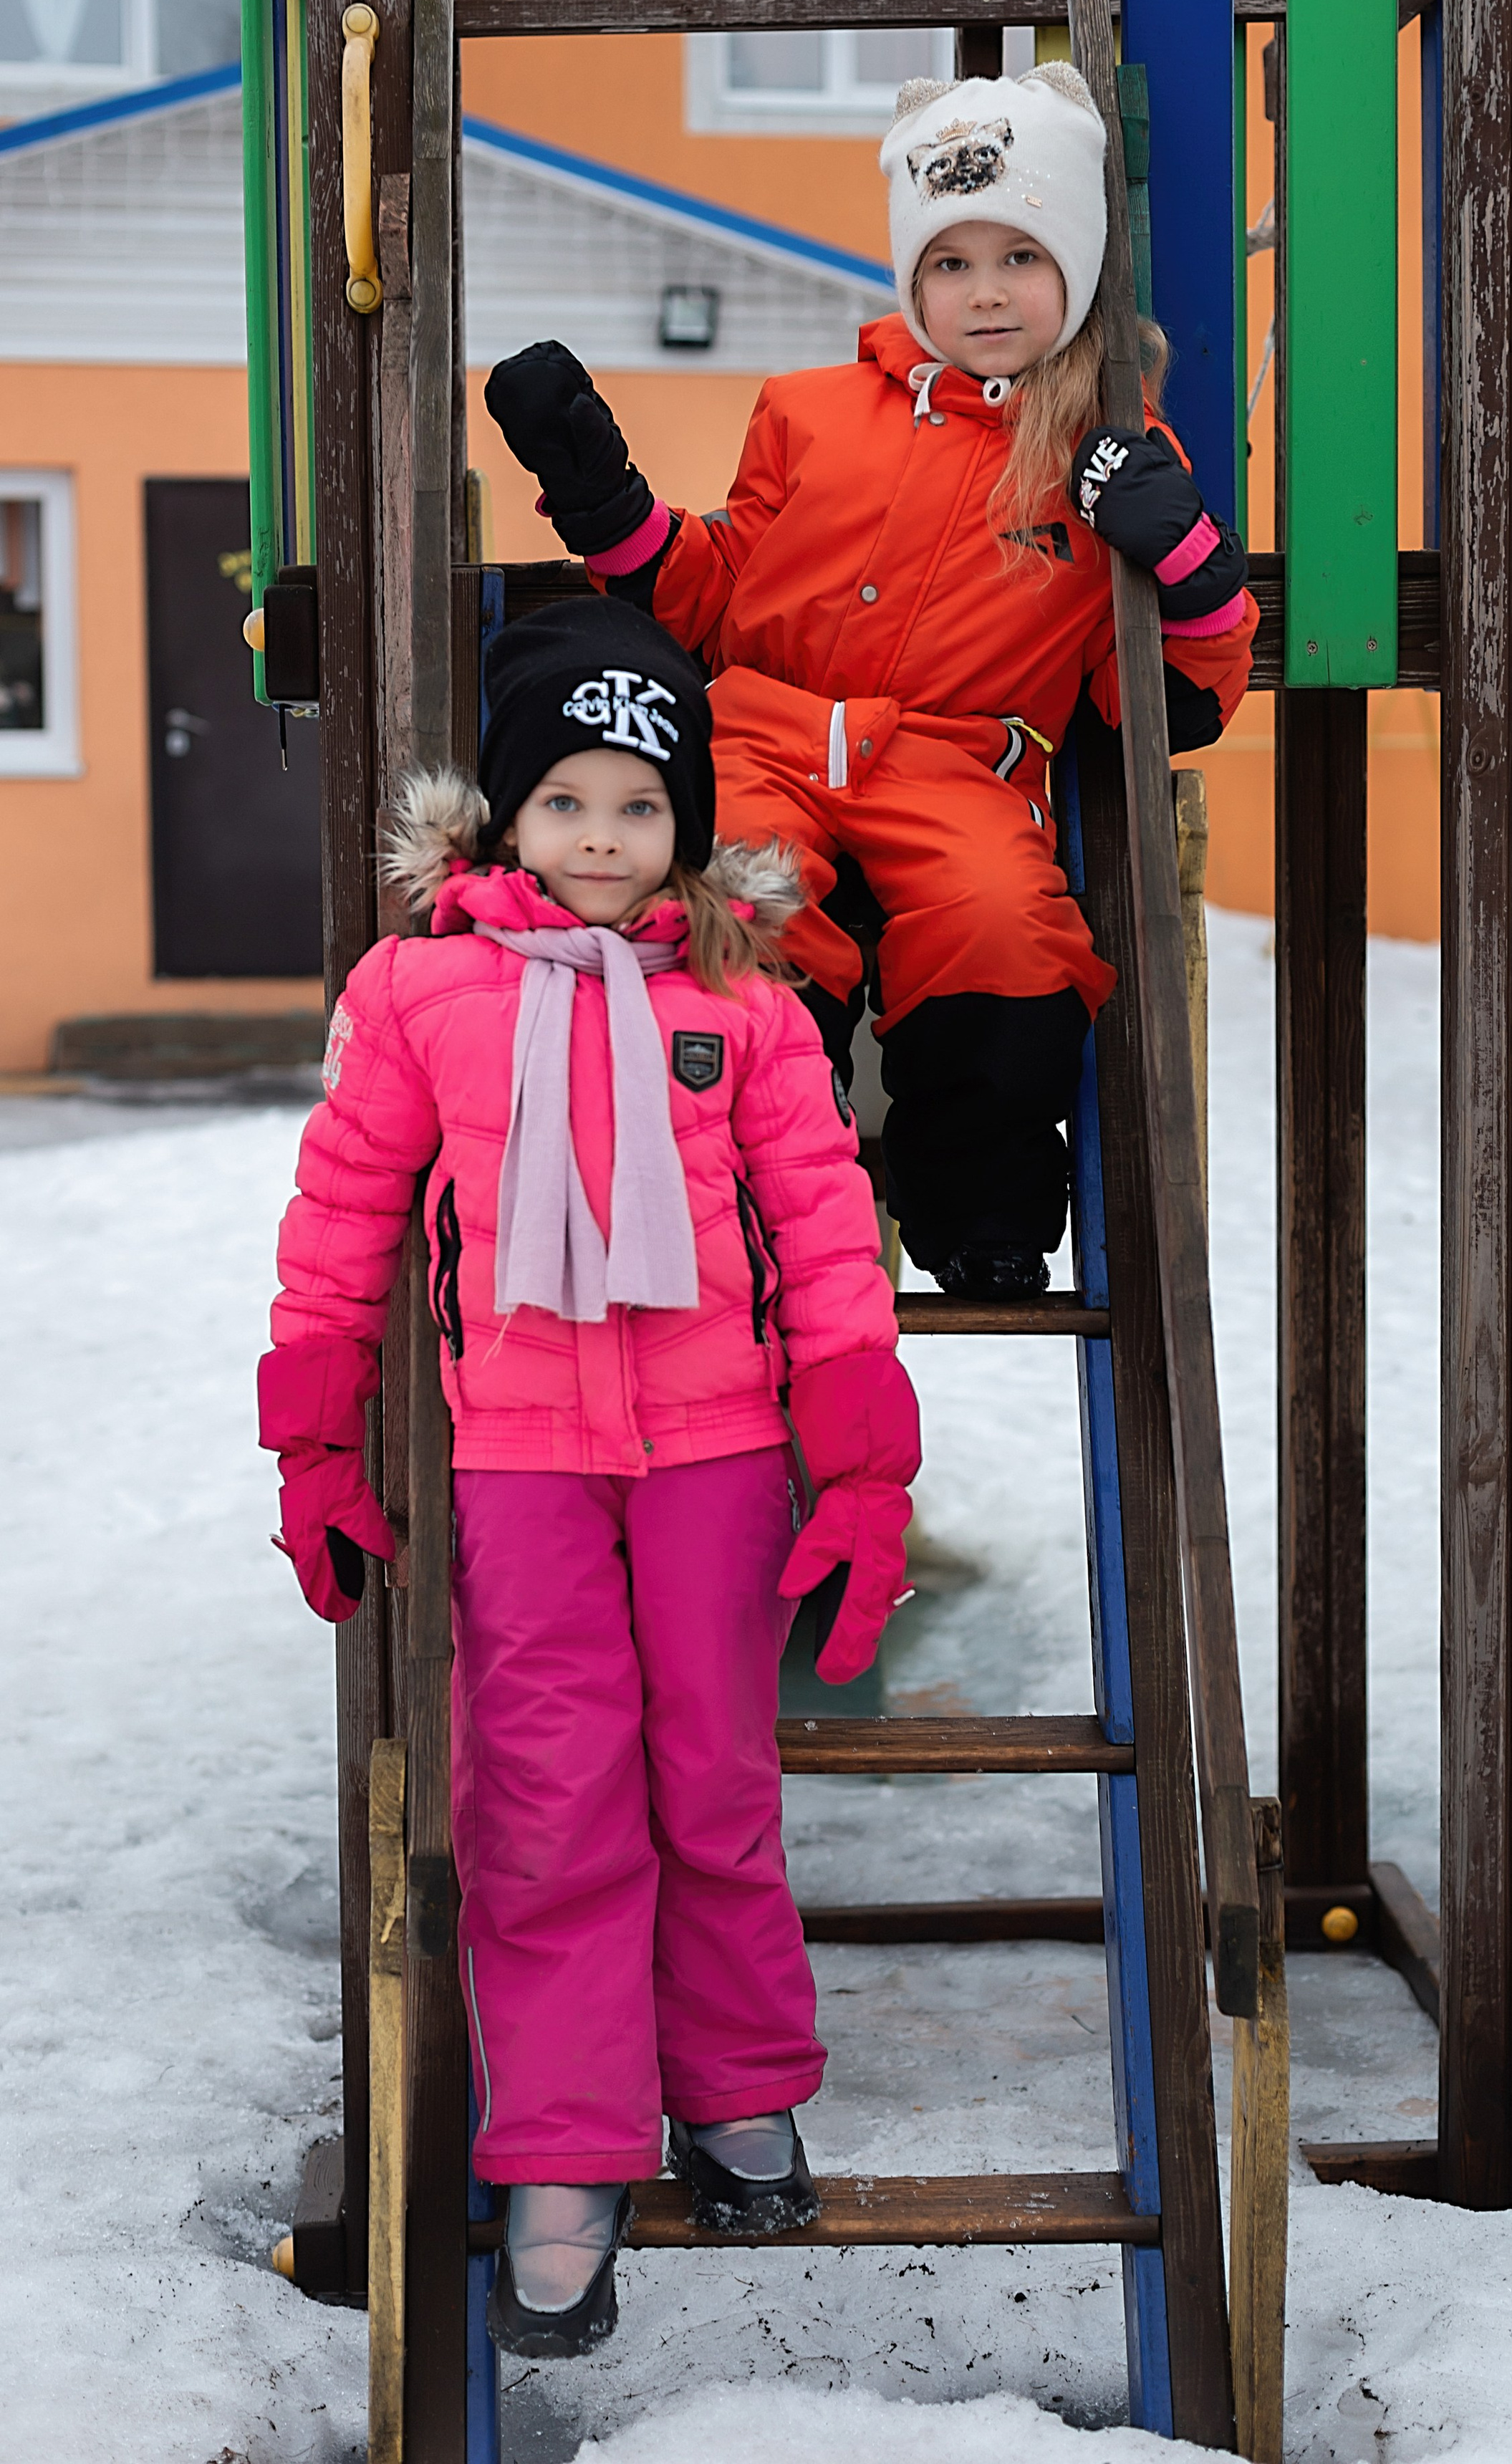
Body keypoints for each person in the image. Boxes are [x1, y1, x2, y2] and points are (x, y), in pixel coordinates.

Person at [256, 600, 920, 2358]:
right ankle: (561, 2146)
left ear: (686, 826)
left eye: (638, 804)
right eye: (564, 801)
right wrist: (316, 1437)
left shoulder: (745, 1007)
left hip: (717, 1450)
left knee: (714, 1774)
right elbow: (337, 1227)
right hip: (526, 1462)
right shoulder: (419, 994)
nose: (603, 839)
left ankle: (733, 2084)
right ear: (500, 816)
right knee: (544, 1799)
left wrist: (857, 1477)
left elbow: (829, 1243)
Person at [484, 63, 1256, 1304]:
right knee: (741, 902)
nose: (987, 291)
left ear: (1078, 267)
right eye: (951, 262)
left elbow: (1172, 702)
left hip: (961, 768)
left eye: (1021, 255)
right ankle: (743, 1188)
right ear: (911, 275)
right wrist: (603, 500)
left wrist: (1189, 562)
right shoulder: (807, 412)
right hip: (768, 736)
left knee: (1005, 924)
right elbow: (712, 593)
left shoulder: (1100, 453)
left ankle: (982, 1216)